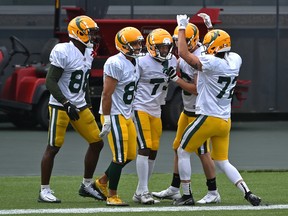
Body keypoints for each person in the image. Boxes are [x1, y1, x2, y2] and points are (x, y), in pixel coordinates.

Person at [173, 14, 262, 206]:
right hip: (225, 121)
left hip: (208, 117)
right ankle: (247, 193)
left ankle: (187, 195)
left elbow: (183, 53)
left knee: (182, 151)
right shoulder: (235, 59)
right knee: (222, 160)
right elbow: (214, 46)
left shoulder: (211, 63)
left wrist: (181, 27)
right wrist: (210, 27)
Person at [152, 19, 221, 205]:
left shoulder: (199, 57)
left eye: (183, 39)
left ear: (195, 39)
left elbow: (196, 88)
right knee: (177, 148)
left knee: (202, 152)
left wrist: (175, 79)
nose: (179, 43)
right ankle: (175, 188)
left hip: (199, 112)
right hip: (187, 110)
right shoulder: (184, 55)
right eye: (178, 39)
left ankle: (213, 191)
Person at [38, 15, 104, 203]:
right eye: (89, 33)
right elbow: (50, 81)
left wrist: (88, 105)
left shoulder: (87, 52)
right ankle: (44, 190)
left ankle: (86, 185)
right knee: (53, 147)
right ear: (78, 33)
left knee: (97, 142)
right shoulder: (63, 50)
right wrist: (66, 103)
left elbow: (84, 82)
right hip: (61, 105)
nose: (93, 36)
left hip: (80, 105)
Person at [95, 26, 145, 206]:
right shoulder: (114, 62)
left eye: (139, 43)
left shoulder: (136, 61)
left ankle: (100, 182)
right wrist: (107, 119)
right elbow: (106, 94)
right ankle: (112, 196)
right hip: (114, 114)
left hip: (126, 113)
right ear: (123, 45)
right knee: (120, 157)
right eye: (133, 44)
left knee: (130, 154)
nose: (138, 47)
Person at [132, 28, 177, 205]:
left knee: (154, 150)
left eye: (167, 47)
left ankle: (140, 190)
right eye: (161, 47)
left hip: (156, 109)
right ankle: (143, 191)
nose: (165, 51)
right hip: (140, 107)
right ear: (151, 46)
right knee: (144, 147)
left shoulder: (173, 60)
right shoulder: (141, 62)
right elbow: (131, 85)